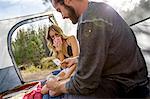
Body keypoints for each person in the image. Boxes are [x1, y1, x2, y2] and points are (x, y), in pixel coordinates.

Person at [46, 0, 149, 98]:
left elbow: (85, 83)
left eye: (60, 10)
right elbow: (105, 53)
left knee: (57, 94)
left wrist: (58, 87)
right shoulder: (96, 10)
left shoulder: (90, 20)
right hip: (130, 80)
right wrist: (77, 59)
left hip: (128, 87)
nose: (63, 16)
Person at [41, 25, 79, 96]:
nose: (55, 38)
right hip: (67, 70)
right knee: (43, 90)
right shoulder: (56, 49)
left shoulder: (71, 39)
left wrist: (66, 76)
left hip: (76, 69)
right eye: (52, 37)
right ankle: (59, 83)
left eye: (56, 34)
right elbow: (64, 66)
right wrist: (60, 51)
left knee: (52, 92)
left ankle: (60, 84)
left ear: (60, 33)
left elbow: (76, 60)